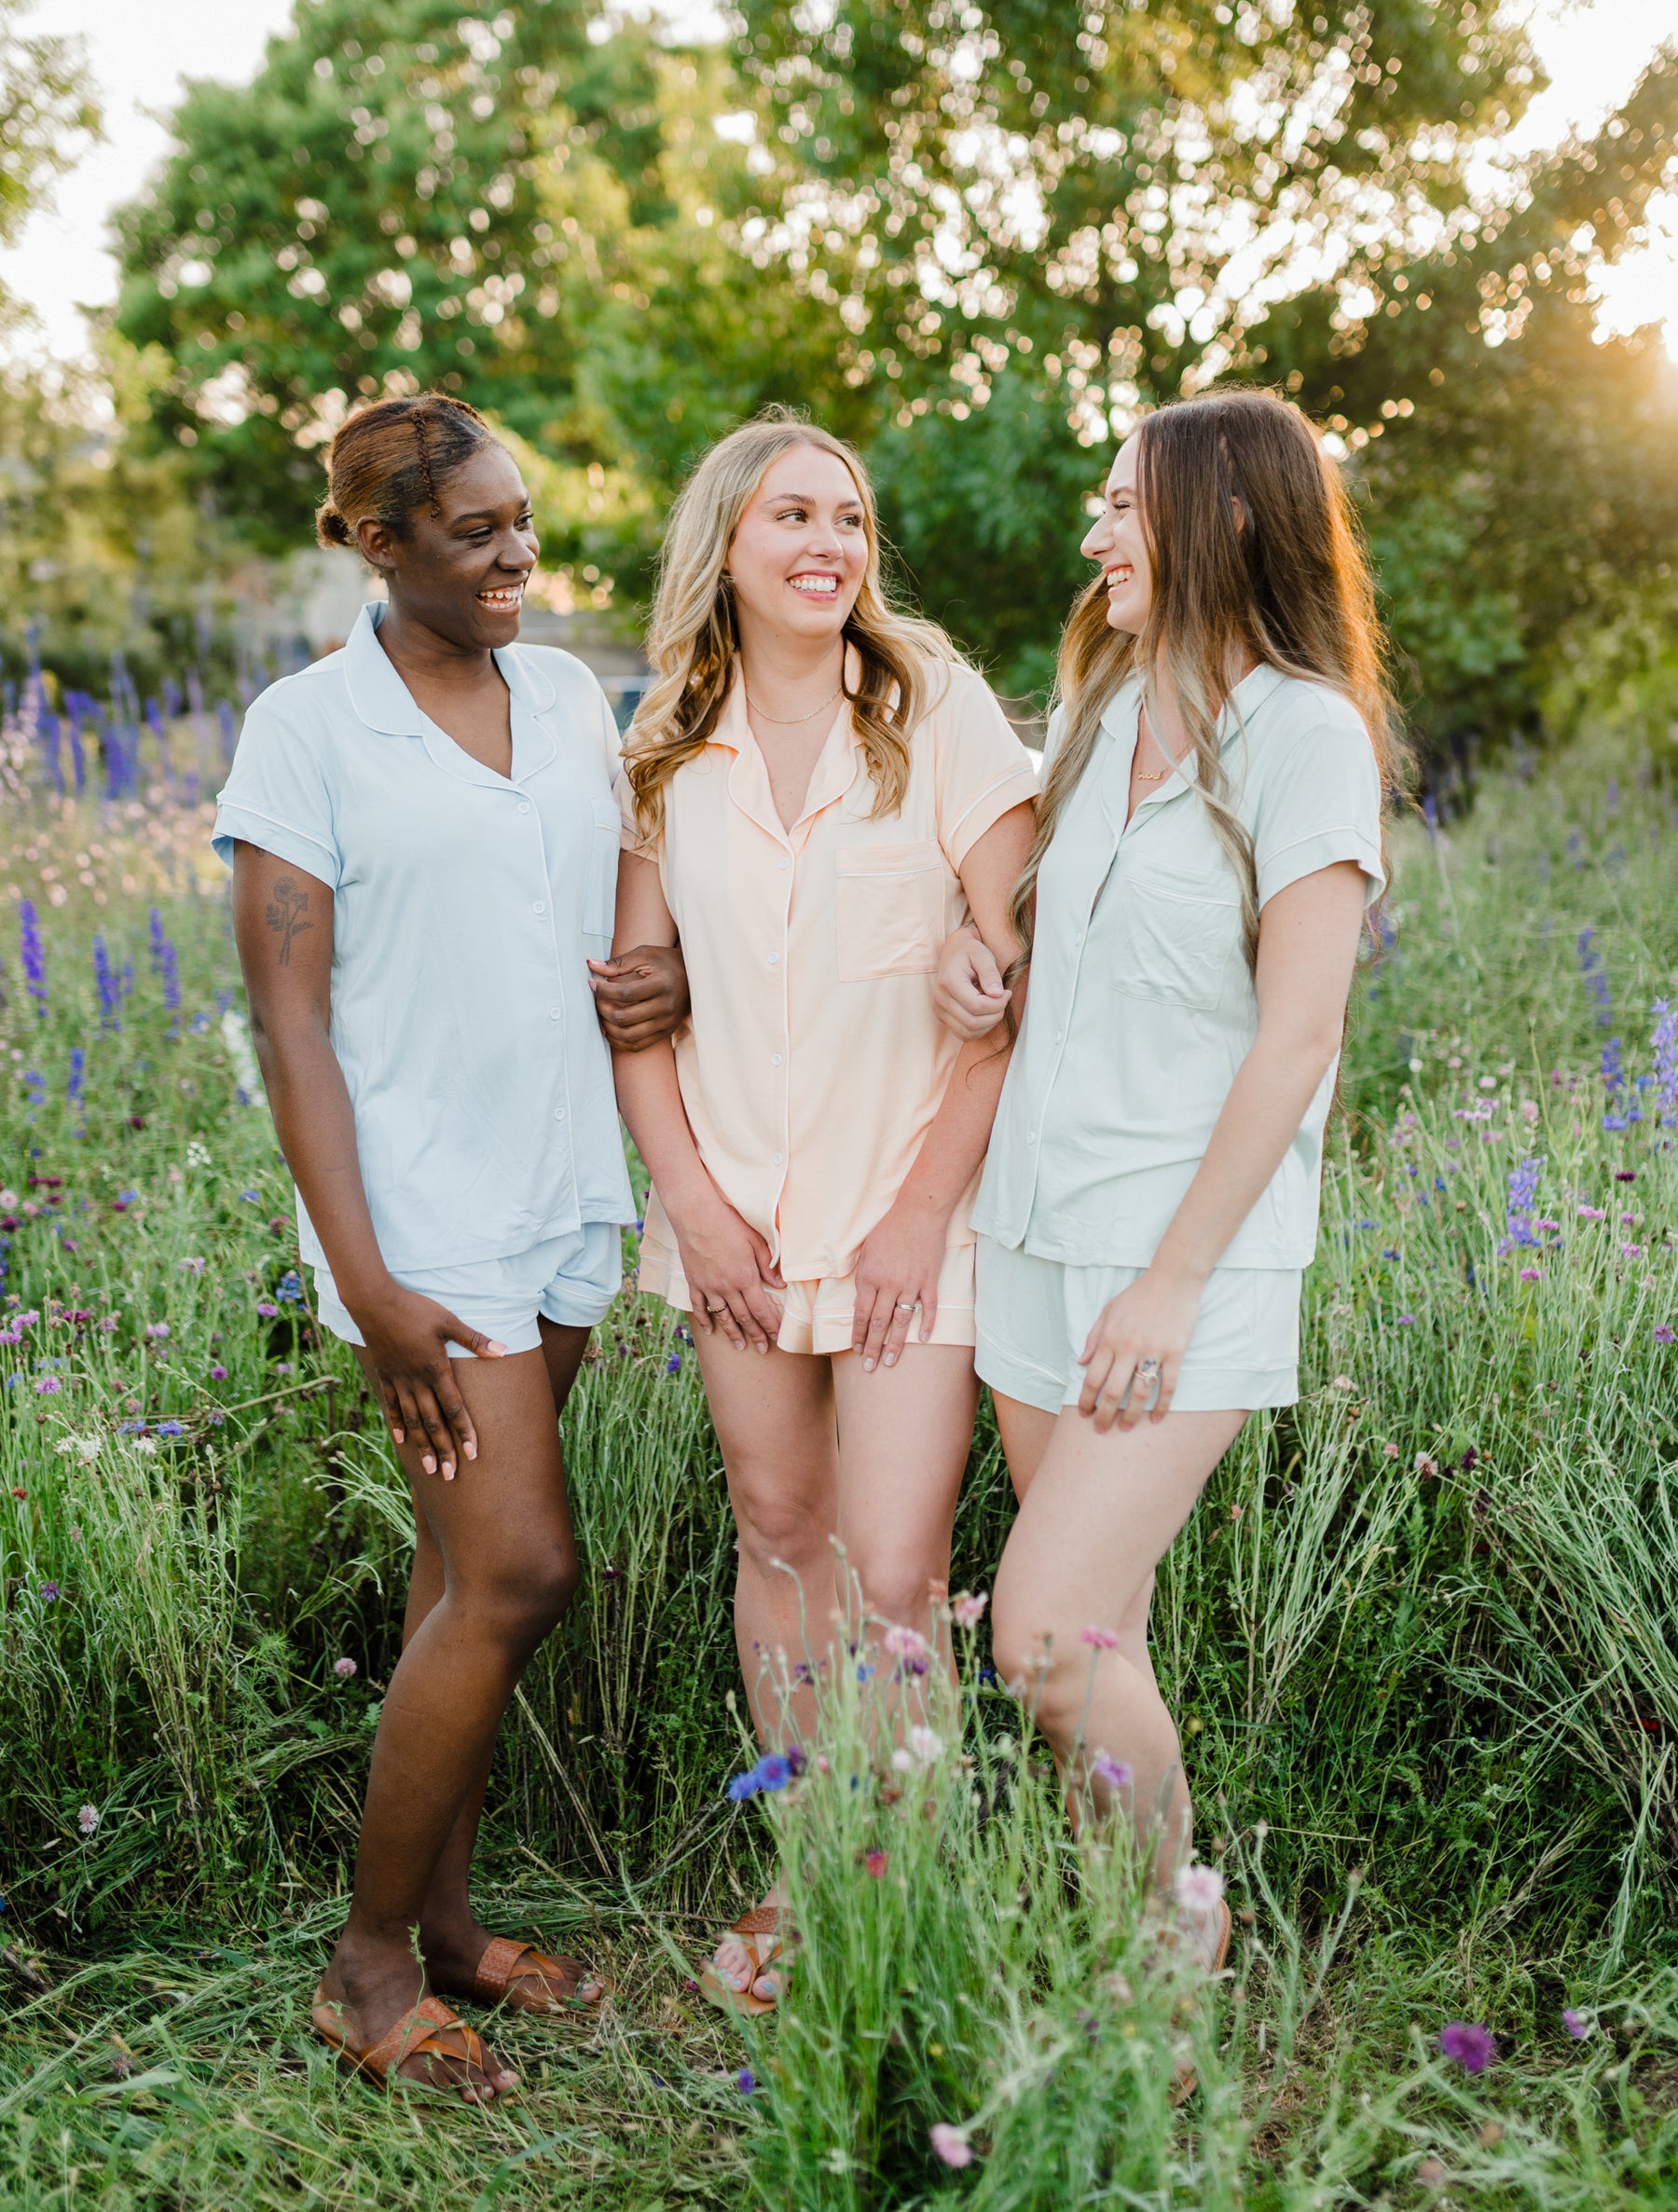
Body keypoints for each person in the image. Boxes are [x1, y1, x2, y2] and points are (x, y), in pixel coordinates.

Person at [214, 393, 688, 2105]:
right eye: (475, 531)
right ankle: (360, 1970)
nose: (518, 556)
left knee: (451, 1582)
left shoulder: (566, 695)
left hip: (562, 1195)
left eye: (523, 520)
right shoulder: (307, 730)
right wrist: (370, 1284)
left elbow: (623, 898)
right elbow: (291, 1027)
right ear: (373, 543)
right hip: (421, 1225)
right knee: (522, 1570)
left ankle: (449, 1924)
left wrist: (668, 972)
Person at [935, 390, 1400, 1960]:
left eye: (1124, 507)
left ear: (1230, 518)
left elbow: (1301, 1034)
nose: (1094, 535)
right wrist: (973, 952)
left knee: (1040, 1633)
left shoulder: (1305, 732)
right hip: (1036, 1231)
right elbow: (1029, 924)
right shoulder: (1101, 710)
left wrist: (1174, 1278)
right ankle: (1111, 1950)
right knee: (1096, 1636)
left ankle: (1174, 1943)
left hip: (1180, 1256)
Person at [610, 411, 1038, 2012]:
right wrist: (696, 1210)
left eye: (848, 520)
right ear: (724, 539)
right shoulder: (666, 742)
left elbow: (1014, 975)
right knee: (778, 1536)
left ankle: (900, 1874)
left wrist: (924, 1215)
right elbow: (637, 1005)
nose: (828, 547)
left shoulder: (933, 710)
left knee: (895, 1562)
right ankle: (805, 1866)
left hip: (912, 1209)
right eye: (792, 515)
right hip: (734, 1210)